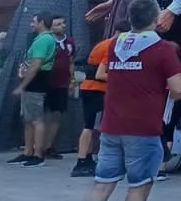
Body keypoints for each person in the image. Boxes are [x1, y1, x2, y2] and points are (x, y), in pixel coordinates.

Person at [67, 0, 181, 201]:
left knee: (100, 187)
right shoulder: (161, 49)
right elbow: (178, 88)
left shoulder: (115, 44)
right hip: (143, 128)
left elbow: (105, 73)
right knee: (138, 189)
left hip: (111, 125)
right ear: (156, 19)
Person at [0, 0, 89, 155]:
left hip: (57, 57)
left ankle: (47, 146)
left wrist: (80, 52)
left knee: (53, 106)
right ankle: (14, 141)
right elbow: (19, 15)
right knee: (19, 105)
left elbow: (78, 20)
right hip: (22, 51)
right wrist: (9, 45)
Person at [72, 23, 124, 178]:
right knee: (90, 126)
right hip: (97, 89)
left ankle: (86, 158)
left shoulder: (103, 44)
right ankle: (81, 161)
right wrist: (123, 77)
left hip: (89, 88)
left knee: (90, 125)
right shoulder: (113, 46)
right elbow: (100, 74)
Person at [11, 13, 59, 167]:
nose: (31, 24)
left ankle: (38, 154)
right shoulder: (41, 39)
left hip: (36, 82)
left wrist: (22, 85)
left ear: (41, 23)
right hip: (34, 81)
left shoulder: (44, 40)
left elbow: (36, 64)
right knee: (28, 119)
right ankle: (28, 151)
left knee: (36, 119)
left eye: (34, 22)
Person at [43, 14, 77, 158]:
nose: (62, 26)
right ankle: (38, 145)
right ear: (50, 27)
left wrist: (72, 81)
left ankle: (49, 146)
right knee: (42, 115)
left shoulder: (69, 42)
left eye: (63, 23)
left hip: (62, 83)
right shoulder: (47, 41)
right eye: (58, 24)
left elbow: (71, 62)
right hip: (46, 82)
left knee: (57, 115)